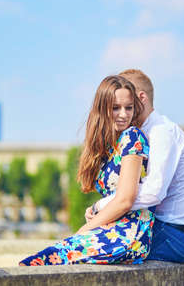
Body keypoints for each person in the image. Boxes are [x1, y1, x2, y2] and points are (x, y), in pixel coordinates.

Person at [19, 75, 154, 266]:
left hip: (129, 232)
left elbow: (125, 200)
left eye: (129, 107)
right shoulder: (108, 146)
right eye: (116, 108)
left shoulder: (133, 137)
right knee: (40, 260)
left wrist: (85, 229)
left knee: (41, 261)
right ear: (103, 109)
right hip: (110, 228)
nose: (123, 114)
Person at [87, 69, 184, 263]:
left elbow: (154, 192)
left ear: (140, 98)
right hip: (170, 231)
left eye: (127, 104)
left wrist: (102, 205)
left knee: (89, 248)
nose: (123, 113)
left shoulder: (161, 132)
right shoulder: (143, 133)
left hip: (176, 237)